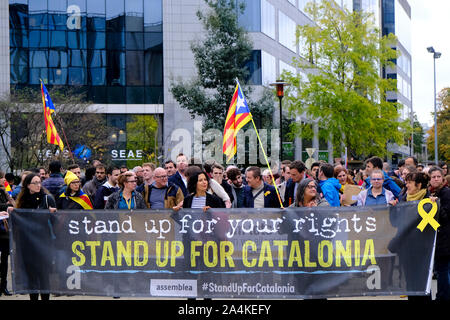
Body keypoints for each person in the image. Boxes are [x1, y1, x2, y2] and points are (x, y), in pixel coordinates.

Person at [15, 173, 57, 300]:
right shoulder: (22, 201)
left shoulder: (47, 198)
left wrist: (51, 214)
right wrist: (12, 212)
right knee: (31, 276)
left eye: (40, 182)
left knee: (44, 276)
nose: (38, 185)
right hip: (27, 244)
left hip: (44, 242)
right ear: (28, 185)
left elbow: (55, 221)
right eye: (35, 183)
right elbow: (19, 221)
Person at [428, 166, 450, 301]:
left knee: (443, 270)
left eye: (438, 176)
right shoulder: (432, 192)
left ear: (442, 178)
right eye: (433, 177)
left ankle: (443, 297)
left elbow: (446, 216)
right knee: (442, 269)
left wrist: (437, 205)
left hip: (445, 238)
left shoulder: (446, 193)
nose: (436, 179)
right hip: (438, 238)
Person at [0, 171, 15, 296]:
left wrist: (6, 193)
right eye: (1, 178)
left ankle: (3, 285)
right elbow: (7, 205)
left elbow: (13, 204)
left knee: (4, 260)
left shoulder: (4, 191)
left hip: (4, 231)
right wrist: (5, 206)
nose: (4, 180)